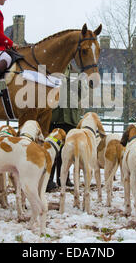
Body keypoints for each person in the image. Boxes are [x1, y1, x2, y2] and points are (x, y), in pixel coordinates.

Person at [46, 63, 84, 192]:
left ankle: (64, 178)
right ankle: (48, 180)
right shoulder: (52, 71)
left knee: (66, 152)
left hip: (70, 118)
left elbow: (81, 93)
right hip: (55, 117)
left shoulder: (75, 74)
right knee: (52, 151)